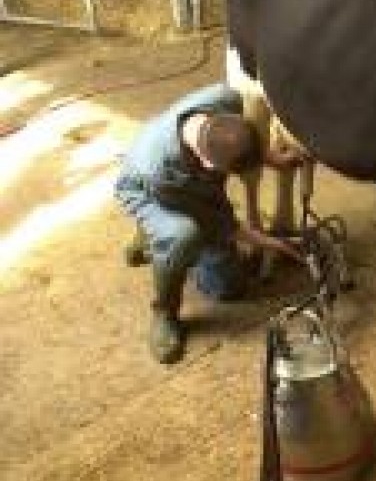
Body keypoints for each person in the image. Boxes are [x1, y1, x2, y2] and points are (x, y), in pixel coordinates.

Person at [114, 83, 303, 364]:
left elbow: (242, 139)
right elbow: (227, 225)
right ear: (208, 164)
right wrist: (275, 243)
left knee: (229, 287)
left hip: (169, 167)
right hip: (145, 188)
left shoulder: (225, 100)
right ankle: (165, 310)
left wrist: (272, 159)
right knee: (184, 236)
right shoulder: (167, 174)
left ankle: (156, 233)